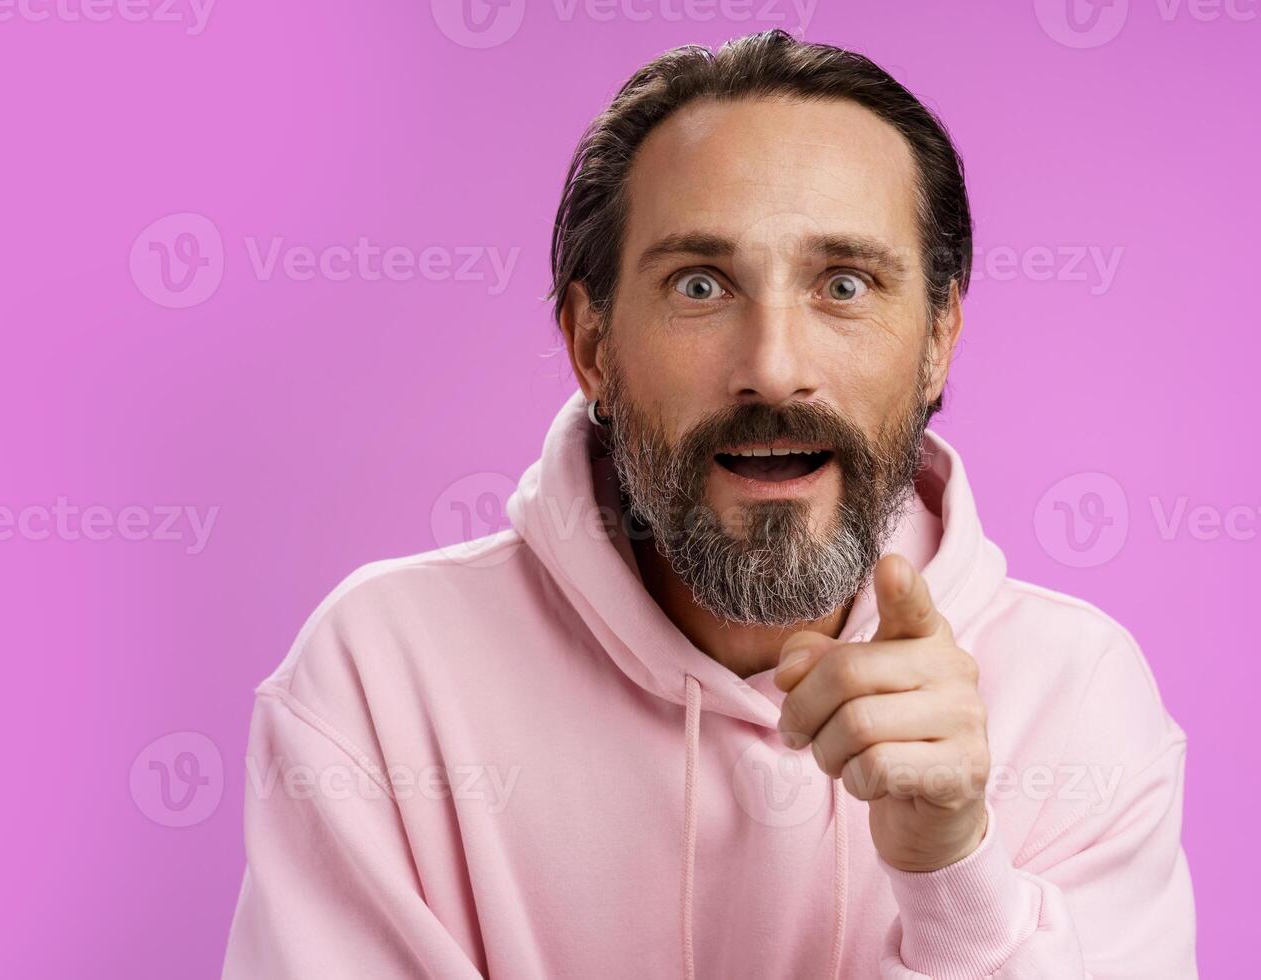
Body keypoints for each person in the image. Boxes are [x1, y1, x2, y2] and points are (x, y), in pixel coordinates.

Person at [223, 30, 1195, 978]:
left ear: (938, 334)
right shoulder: (378, 676)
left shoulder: (1076, 696)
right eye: (700, 283)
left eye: (844, 283)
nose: (773, 367)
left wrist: (955, 876)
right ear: (591, 345)